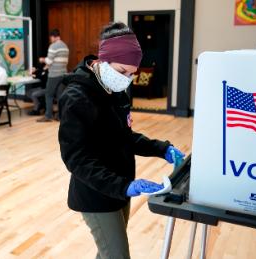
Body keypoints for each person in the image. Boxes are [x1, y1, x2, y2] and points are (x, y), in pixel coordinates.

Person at [58, 22, 185, 259]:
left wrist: (162, 149)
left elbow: (123, 136)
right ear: (103, 61)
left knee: (107, 252)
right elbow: (76, 159)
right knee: (117, 255)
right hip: (95, 193)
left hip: (120, 187)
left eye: (132, 73)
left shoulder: (114, 87)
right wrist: (122, 186)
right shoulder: (77, 98)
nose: (127, 79)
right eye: (122, 71)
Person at [37, 29, 69, 122]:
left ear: (53, 37)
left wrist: (42, 59)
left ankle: (48, 116)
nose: (50, 40)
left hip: (54, 74)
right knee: (60, 96)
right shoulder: (65, 46)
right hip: (63, 73)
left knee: (49, 94)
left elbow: (49, 61)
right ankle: (59, 116)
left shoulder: (53, 46)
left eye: (51, 38)